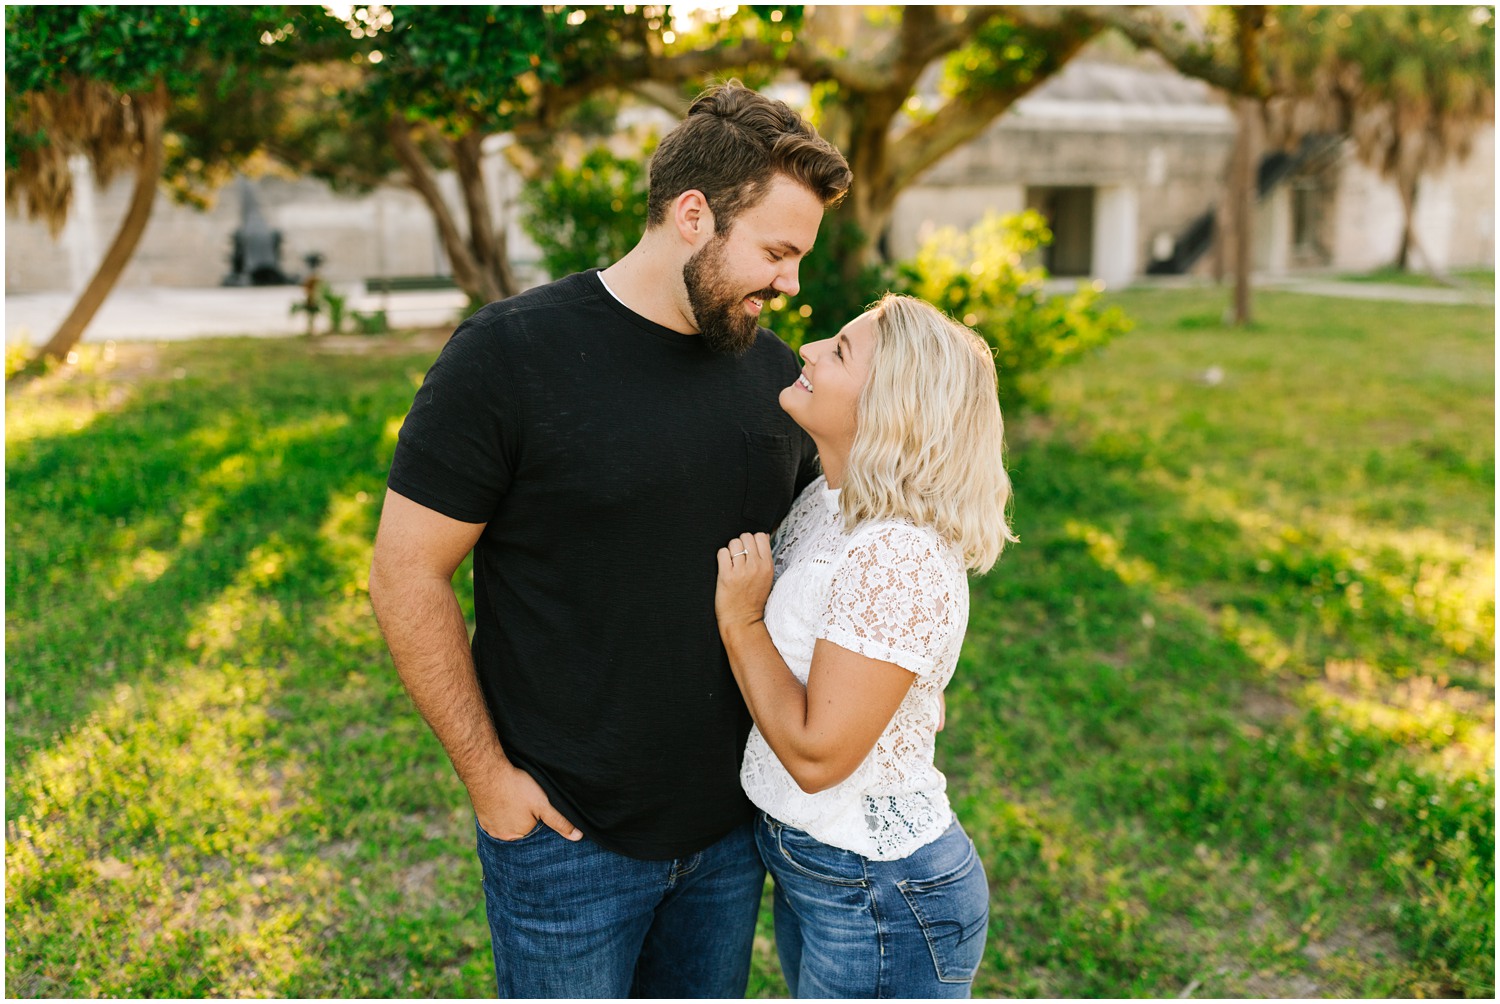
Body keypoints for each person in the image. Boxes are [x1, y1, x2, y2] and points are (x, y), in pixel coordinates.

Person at [368, 81, 851, 999]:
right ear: (692, 214)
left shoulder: (784, 379)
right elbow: (405, 575)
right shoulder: (508, 357)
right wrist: (489, 782)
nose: (792, 284)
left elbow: (838, 557)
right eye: (777, 252)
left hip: (732, 833)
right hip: (563, 837)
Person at [714, 293, 1017, 998]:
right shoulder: (829, 499)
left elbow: (819, 758)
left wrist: (742, 623)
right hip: (821, 870)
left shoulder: (898, 555)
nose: (810, 349)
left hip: (878, 891)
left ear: (891, 407)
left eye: (841, 350)